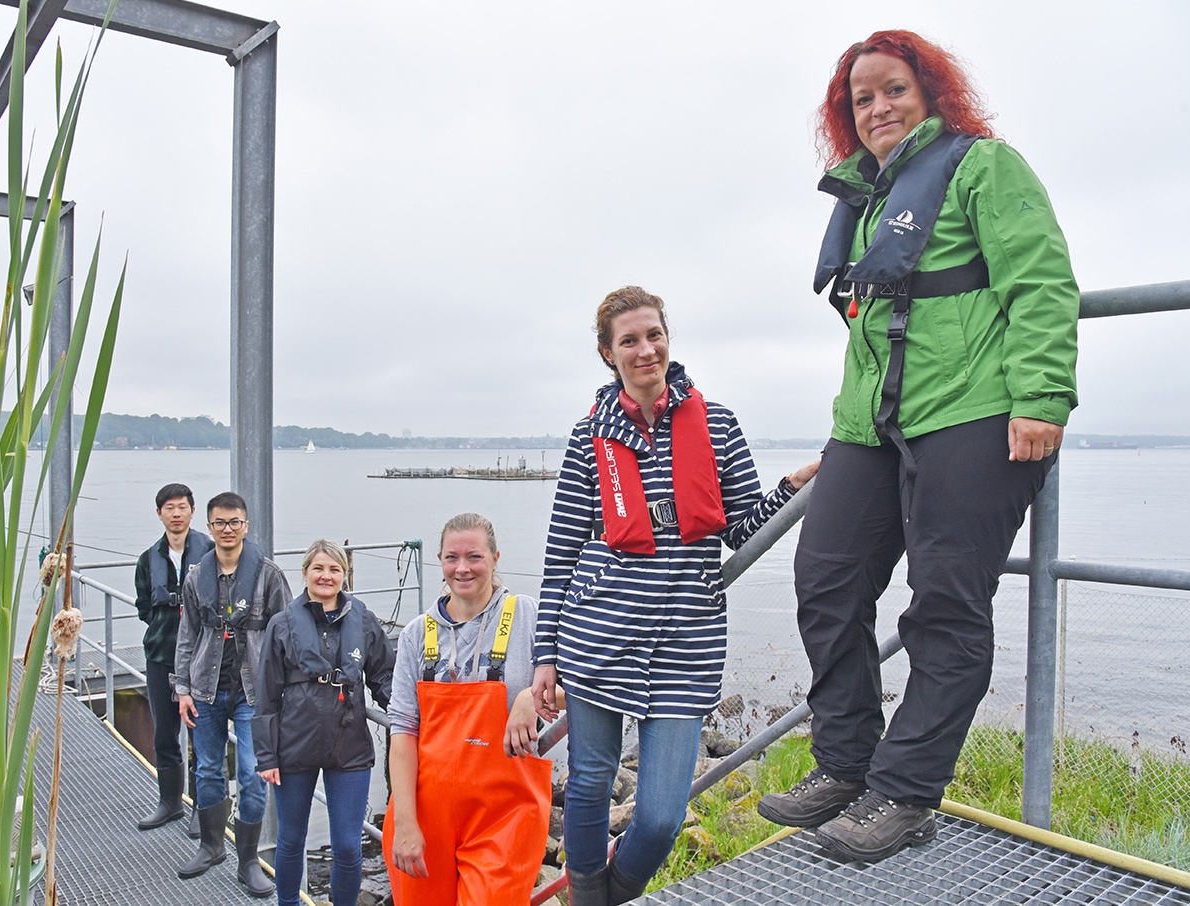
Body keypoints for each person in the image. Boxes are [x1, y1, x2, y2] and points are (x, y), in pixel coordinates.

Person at [755, 30, 1079, 864]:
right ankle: (845, 763)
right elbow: (873, 333)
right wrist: (847, 433)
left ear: (929, 91)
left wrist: (1042, 397)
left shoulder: (983, 167)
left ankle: (904, 791)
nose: (878, 109)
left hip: (975, 413)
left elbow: (1040, 281)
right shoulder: (864, 201)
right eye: (861, 100)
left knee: (944, 605)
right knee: (824, 575)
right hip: (870, 426)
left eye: (893, 89)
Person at [530, 287, 819, 905]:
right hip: (598, 633)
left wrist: (789, 488)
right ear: (608, 355)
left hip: (687, 637)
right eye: (628, 340)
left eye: (653, 334)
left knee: (661, 814)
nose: (645, 349)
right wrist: (544, 655)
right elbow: (560, 554)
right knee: (586, 785)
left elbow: (742, 526)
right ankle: (586, 898)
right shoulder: (588, 437)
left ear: (669, 338)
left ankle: (609, 895)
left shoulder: (717, 423)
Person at [385, 513, 557, 906]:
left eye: (474, 557)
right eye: (451, 558)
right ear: (440, 561)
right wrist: (406, 824)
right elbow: (403, 731)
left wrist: (531, 697)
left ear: (496, 558)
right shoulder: (415, 635)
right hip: (425, 815)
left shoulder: (530, 616)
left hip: (506, 816)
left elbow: (581, 685)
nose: (462, 568)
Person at [253, 541, 396, 906]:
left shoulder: (363, 620)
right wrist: (266, 756)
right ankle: (289, 902)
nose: (326, 576)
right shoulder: (281, 624)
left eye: (334, 570)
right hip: (294, 744)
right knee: (291, 838)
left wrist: (408, 715)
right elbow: (266, 695)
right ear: (304, 574)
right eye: (318, 568)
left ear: (344, 576)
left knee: (348, 845)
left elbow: (383, 677)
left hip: (348, 743)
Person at [173, 491, 293, 898]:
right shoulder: (195, 575)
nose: (227, 530)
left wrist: (283, 690)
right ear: (208, 527)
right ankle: (211, 846)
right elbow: (187, 634)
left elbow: (285, 633)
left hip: (252, 691)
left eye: (235, 522)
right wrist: (182, 688)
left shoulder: (269, 575)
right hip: (205, 687)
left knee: (252, 774)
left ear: (246, 525)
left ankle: (247, 861)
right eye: (220, 523)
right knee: (207, 770)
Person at [133, 483, 213, 834]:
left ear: (192, 511)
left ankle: (202, 808)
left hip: (202, 661)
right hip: (161, 655)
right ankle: (169, 803)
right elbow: (144, 608)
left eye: (182, 507)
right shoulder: (148, 559)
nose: (176, 513)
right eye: (169, 508)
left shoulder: (210, 552)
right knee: (165, 732)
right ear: (159, 514)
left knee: (203, 737)